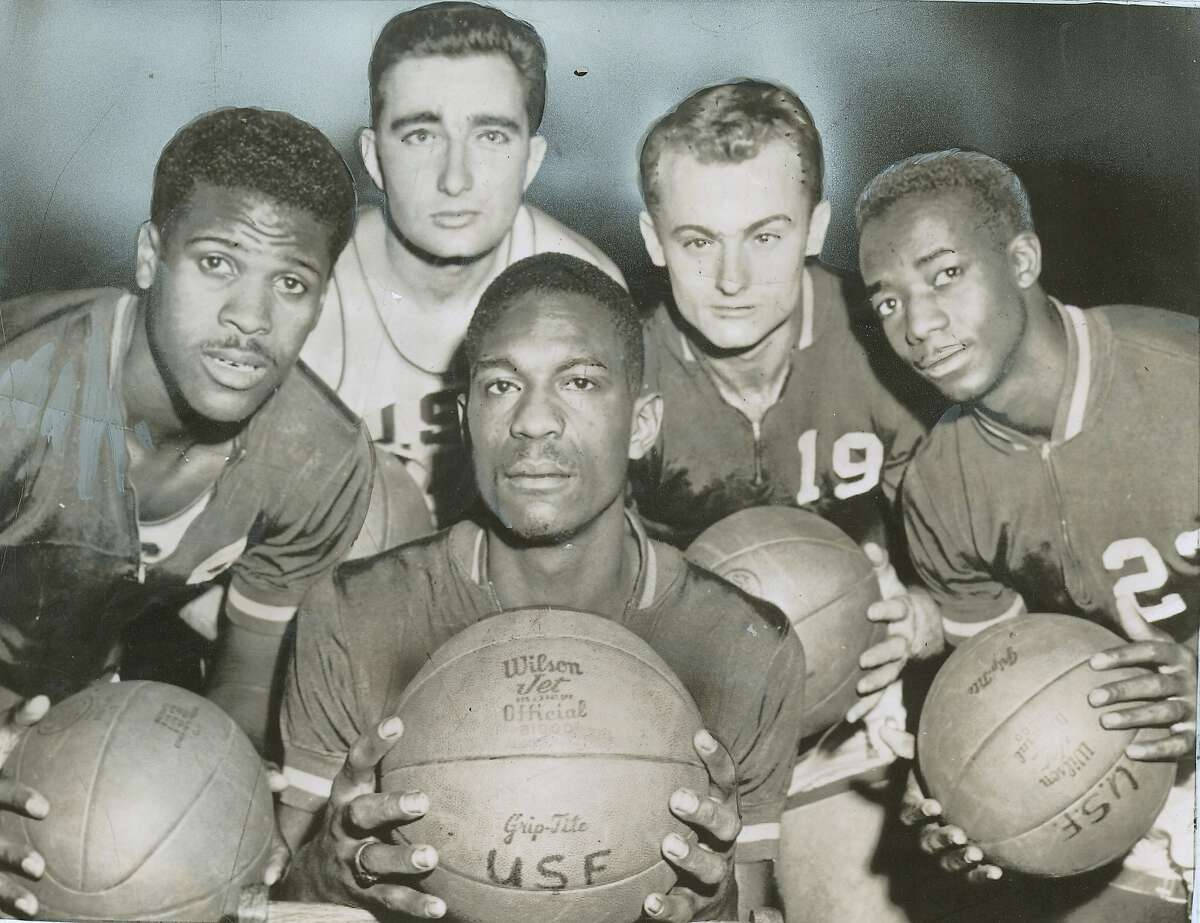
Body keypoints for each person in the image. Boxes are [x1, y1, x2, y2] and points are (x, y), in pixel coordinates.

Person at [275, 253, 805, 921]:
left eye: (579, 382)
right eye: (501, 386)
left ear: (642, 424)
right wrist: (326, 874)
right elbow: (285, 901)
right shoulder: (355, 616)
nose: (533, 421)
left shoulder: (744, 646)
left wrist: (712, 904)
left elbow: (744, 907)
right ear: (466, 419)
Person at [0, 107, 377, 918]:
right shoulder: (15, 394)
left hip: (89, 718)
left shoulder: (320, 455)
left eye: (290, 283)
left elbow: (238, 693)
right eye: (217, 262)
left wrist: (232, 813)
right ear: (149, 258)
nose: (251, 317)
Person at [632, 79, 945, 921]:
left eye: (766, 236)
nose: (732, 277)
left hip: (847, 720)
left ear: (815, 226)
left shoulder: (894, 341)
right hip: (672, 727)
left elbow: (995, 555)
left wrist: (925, 614)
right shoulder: (620, 373)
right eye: (697, 240)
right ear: (651, 239)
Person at [856, 148, 1198, 921]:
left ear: (1022, 258)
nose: (919, 325)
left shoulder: (1184, 375)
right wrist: (972, 788)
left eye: (944, 274)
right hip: (1140, 772)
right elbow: (1004, 674)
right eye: (886, 302)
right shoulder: (941, 482)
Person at [300, 1, 625, 536]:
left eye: (491, 136)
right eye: (421, 136)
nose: (456, 178)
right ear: (374, 157)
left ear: (531, 160)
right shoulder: (305, 287)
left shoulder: (586, 294)